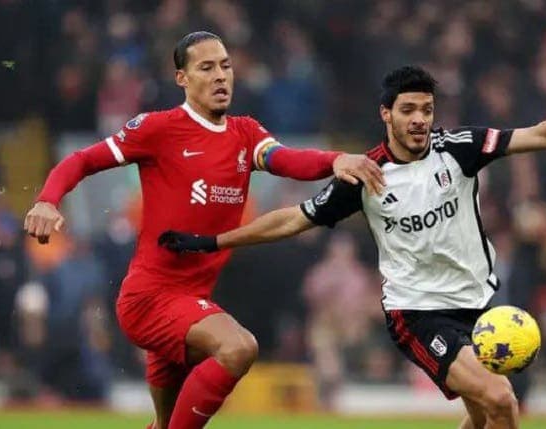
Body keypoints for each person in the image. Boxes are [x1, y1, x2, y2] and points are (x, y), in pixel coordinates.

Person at [160, 65, 546, 429]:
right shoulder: (365, 175)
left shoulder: (459, 148)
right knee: (502, 400)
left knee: (485, 415)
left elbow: (539, 135)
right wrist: (214, 241)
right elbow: (293, 219)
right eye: (409, 110)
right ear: (387, 114)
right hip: (418, 312)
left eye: (426, 109)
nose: (420, 118)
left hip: (478, 304)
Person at [23, 31, 384, 429]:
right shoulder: (158, 129)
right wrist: (47, 199)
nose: (220, 77)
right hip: (151, 298)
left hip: (192, 298)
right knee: (240, 347)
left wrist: (335, 160)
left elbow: (287, 160)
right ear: (182, 78)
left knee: (163, 424)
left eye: (226, 66)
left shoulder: (245, 134)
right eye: (206, 67)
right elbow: (81, 160)